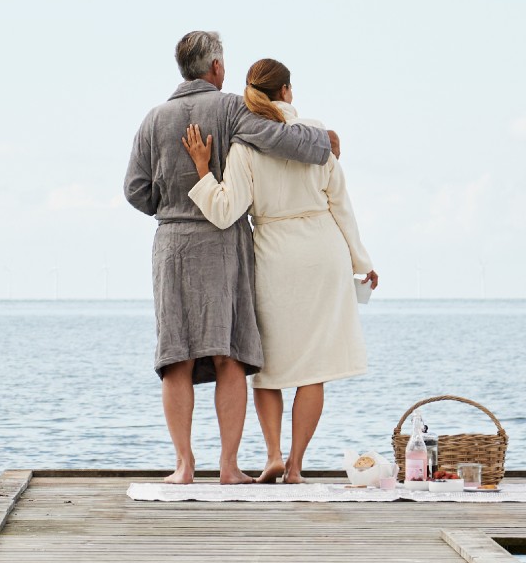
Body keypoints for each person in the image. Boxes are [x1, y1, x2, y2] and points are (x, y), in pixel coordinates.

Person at [124, 32, 340, 485]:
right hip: (223, 243)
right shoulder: (230, 109)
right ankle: (228, 466)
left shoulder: (153, 119)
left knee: (176, 357)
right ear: (217, 68)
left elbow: (135, 190)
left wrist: (171, 207)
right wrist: (324, 140)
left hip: (172, 244)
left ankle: (184, 465)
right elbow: (280, 139)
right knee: (230, 356)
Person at [181, 57, 377, 484]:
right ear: (287, 90)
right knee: (314, 366)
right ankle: (296, 467)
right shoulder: (316, 136)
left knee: (268, 366)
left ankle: (272, 455)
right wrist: (361, 261)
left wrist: (202, 169)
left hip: (272, 255)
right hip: (322, 250)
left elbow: (224, 211)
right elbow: (341, 204)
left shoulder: (244, 146)